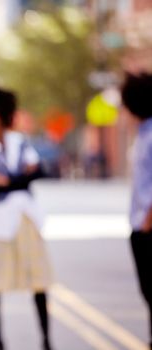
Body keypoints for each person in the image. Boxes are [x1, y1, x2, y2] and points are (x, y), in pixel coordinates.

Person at [0, 88, 53, 350]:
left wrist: (9, 180)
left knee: (39, 281)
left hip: (25, 216)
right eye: (9, 113)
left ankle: (46, 340)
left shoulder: (20, 141)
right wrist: (18, 178)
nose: (14, 117)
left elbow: (37, 171)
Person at [121, 72, 152, 350]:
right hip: (140, 223)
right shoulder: (142, 134)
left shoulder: (151, 135)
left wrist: (148, 220)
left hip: (147, 226)